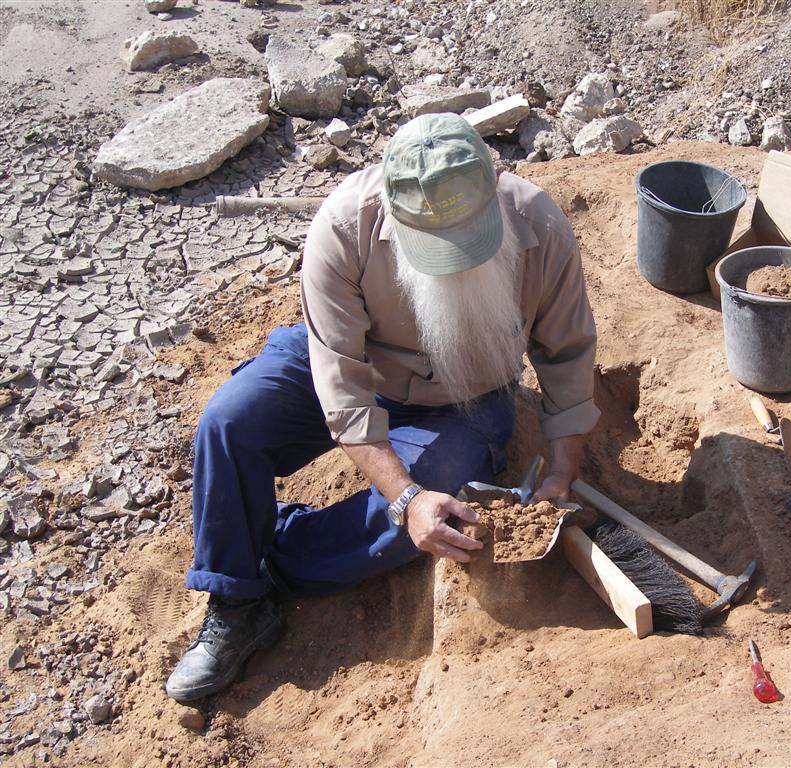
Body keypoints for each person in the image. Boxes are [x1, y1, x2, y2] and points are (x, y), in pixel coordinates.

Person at [165, 112, 600, 702]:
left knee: (443, 486)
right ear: (396, 212)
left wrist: (561, 473)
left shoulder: (541, 227)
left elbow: (567, 355)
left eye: (467, 239)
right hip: (355, 364)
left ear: (494, 185)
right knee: (230, 422)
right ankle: (236, 603)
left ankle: (278, 557)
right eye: (434, 245)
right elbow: (341, 388)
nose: (454, 259)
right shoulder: (344, 226)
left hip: (462, 397)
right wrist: (405, 499)